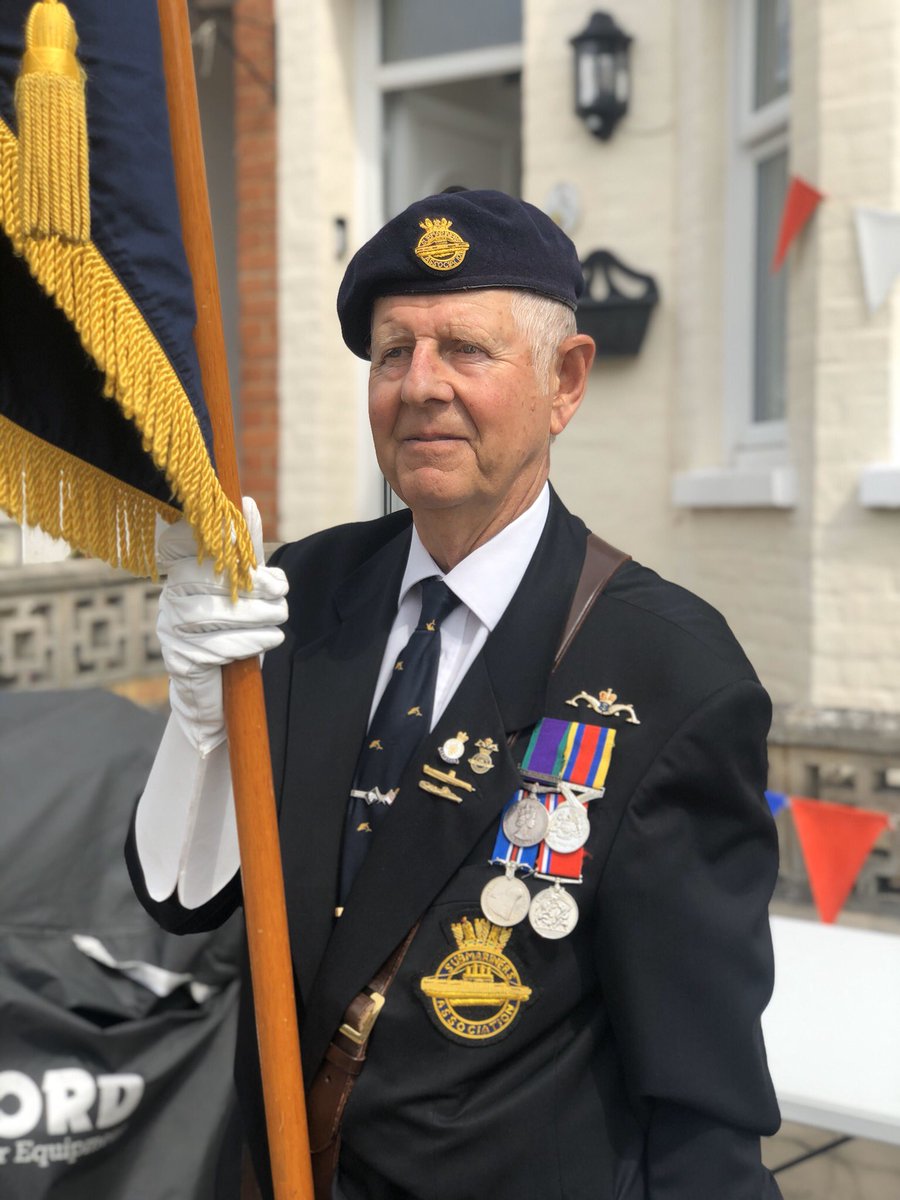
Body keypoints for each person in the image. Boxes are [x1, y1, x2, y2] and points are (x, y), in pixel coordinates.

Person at [128, 189, 783, 1200]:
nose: (420, 386)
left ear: (564, 382)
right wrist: (197, 724)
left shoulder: (668, 672)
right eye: (394, 353)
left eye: (465, 350)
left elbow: (702, 1101)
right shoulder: (309, 596)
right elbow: (182, 900)